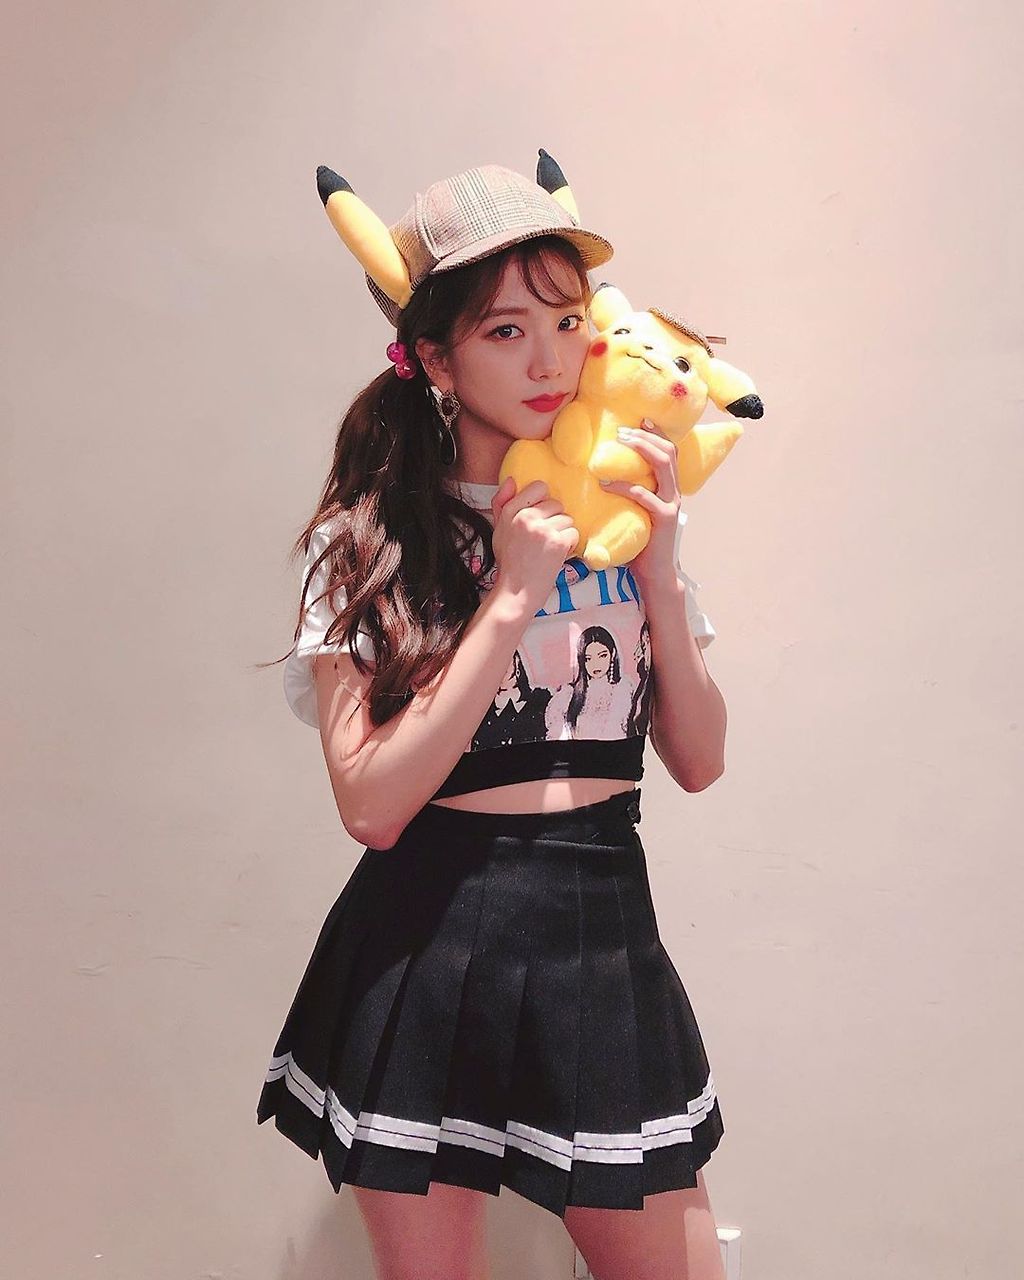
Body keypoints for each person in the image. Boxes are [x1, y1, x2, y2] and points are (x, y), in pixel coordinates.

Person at [257, 156, 729, 1280]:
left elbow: (700, 760)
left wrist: (661, 577)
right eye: (506, 331)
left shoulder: (620, 520)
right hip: (424, 948)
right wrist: (509, 596)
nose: (550, 360)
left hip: (602, 937)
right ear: (434, 357)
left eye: (566, 322)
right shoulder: (365, 544)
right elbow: (371, 806)